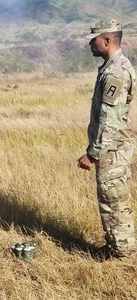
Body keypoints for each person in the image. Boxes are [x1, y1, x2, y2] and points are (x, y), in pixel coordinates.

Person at [78, 19, 136, 258]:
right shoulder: (114, 66)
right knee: (112, 198)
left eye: (93, 39)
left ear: (107, 40)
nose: (90, 44)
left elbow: (109, 121)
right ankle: (116, 245)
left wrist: (92, 154)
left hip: (112, 151)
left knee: (114, 200)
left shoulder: (115, 72)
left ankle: (123, 253)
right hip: (114, 149)